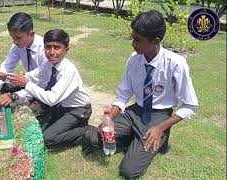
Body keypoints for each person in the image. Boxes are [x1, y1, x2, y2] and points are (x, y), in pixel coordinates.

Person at [82, 10, 199, 179]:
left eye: (138, 40)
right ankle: (135, 137)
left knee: (129, 171)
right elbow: (124, 92)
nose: (133, 44)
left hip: (158, 116)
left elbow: (190, 105)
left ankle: (155, 139)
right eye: (132, 38)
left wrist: (160, 127)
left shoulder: (176, 63)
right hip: (136, 111)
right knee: (94, 138)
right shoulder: (134, 58)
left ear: (156, 41)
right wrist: (110, 119)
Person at [6, 29, 92, 147]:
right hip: (62, 106)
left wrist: (27, 84)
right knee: (37, 125)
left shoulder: (68, 71)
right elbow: (30, 76)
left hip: (78, 109)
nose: (51, 52)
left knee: (47, 139)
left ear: (66, 50)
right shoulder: (48, 64)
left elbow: (52, 99)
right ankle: (71, 124)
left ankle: (84, 131)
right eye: (48, 47)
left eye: (57, 47)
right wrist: (4, 77)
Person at [0, 12, 47, 106]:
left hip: (45, 88)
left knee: (32, 107)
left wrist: (14, 96)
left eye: (18, 37)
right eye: (12, 37)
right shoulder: (18, 46)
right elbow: (6, 67)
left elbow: (42, 81)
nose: (14, 41)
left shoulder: (45, 49)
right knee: (3, 88)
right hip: (29, 83)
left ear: (31, 34)